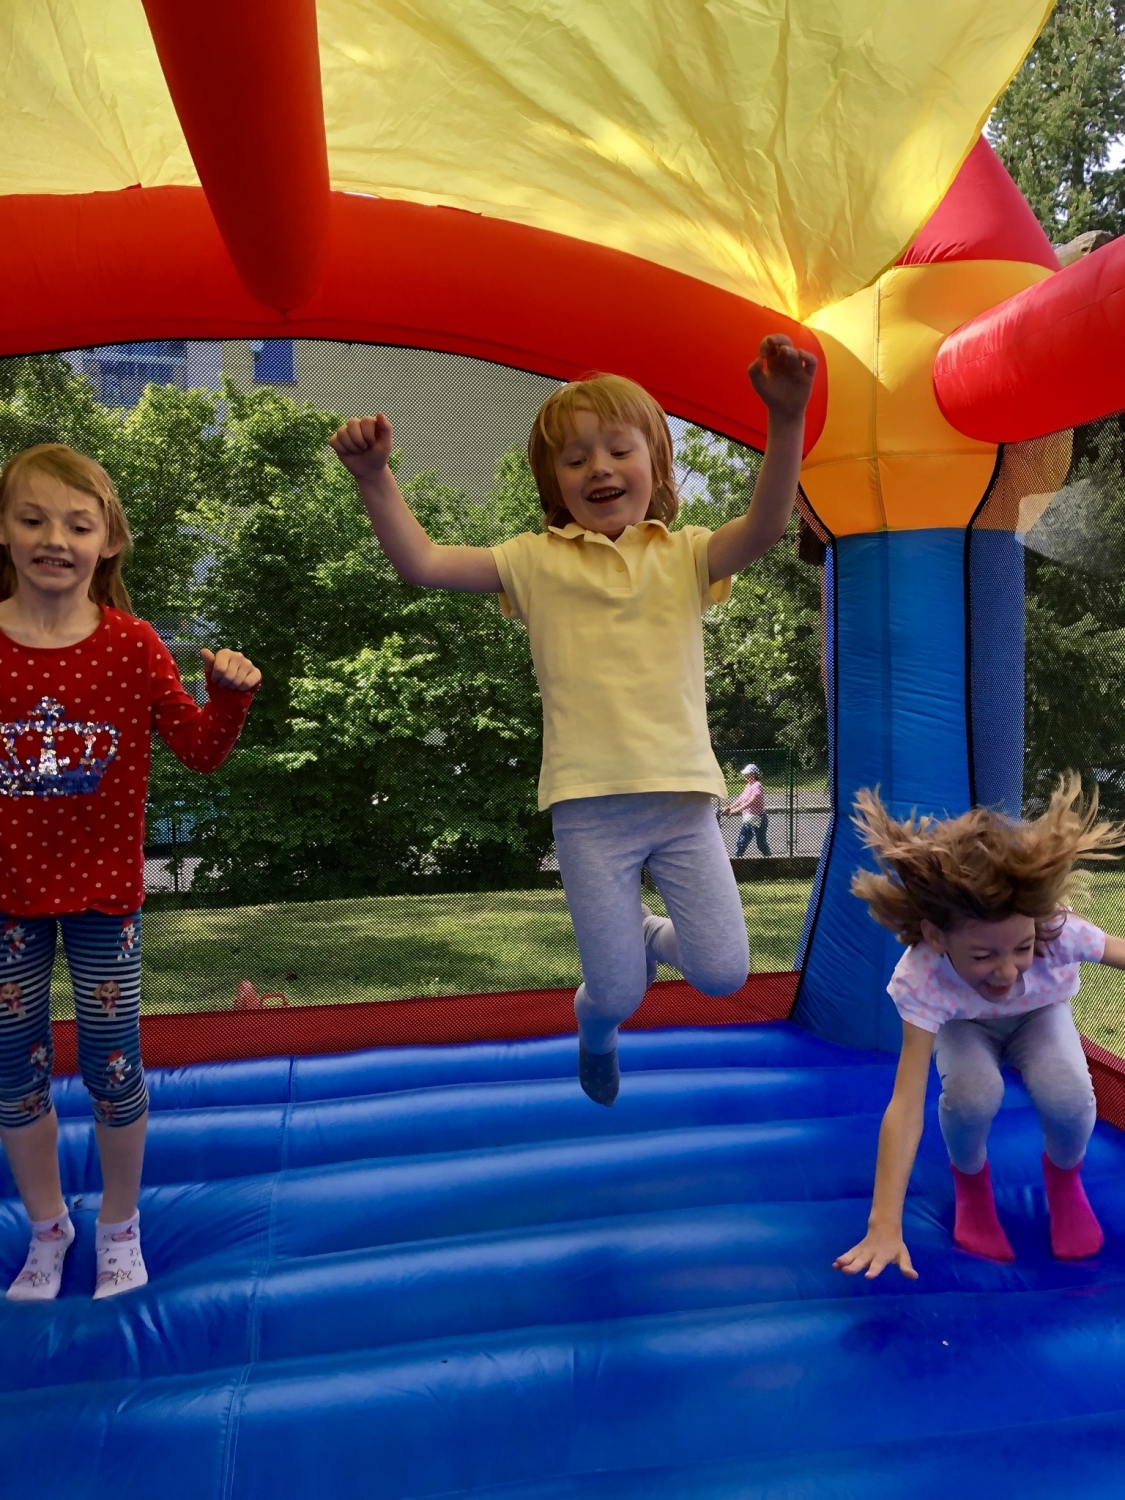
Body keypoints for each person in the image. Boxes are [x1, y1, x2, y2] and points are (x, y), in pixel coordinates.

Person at [331, 335, 817, 1106]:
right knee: (616, 991)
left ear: (655, 464)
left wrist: (784, 421)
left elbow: (762, 527)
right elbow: (421, 563)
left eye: (618, 450)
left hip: (681, 803)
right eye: (575, 458)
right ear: (553, 482)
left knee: (723, 972)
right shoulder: (535, 561)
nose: (598, 467)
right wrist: (372, 476)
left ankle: (648, 934)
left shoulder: (684, 556)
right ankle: (594, 1027)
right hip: (590, 814)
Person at [0, 444, 261, 1302]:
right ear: (4, 531)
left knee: (114, 1066)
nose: (55, 539)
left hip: (102, 895)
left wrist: (228, 696)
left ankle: (119, 1223)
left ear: (108, 541)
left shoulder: (130, 644)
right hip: (7, 896)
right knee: (11, 1071)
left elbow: (199, 750)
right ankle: (48, 1226)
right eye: (33, 519)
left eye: (78, 525)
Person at [834, 778, 1125, 1280]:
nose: (1007, 971)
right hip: (966, 1025)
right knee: (973, 1094)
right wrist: (884, 1224)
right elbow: (905, 1103)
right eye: (984, 955)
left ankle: (1064, 1180)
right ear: (936, 936)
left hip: (1039, 1015)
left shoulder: (1054, 929)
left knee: (1068, 1095)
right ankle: (970, 1183)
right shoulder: (922, 976)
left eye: (1021, 948)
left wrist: (1018, 951)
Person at [723, 764, 771, 857]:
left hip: (758, 818)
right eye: (746, 774)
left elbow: (752, 801)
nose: (746, 776)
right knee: (742, 841)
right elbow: (741, 799)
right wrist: (730, 807)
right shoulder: (749, 785)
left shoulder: (757, 785)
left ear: (753, 774)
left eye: (747, 774)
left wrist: (737, 810)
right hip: (749, 818)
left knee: (761, 843)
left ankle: (770, 859)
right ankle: (737, 859)